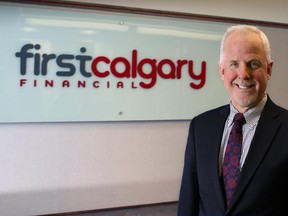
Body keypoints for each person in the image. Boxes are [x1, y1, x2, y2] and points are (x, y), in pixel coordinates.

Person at [177, 25, 288, 216]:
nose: (243, 74)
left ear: (269, 69)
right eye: (234, 64)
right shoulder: (200, 127)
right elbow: (189, 202)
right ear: (222, 71)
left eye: (253, 63)